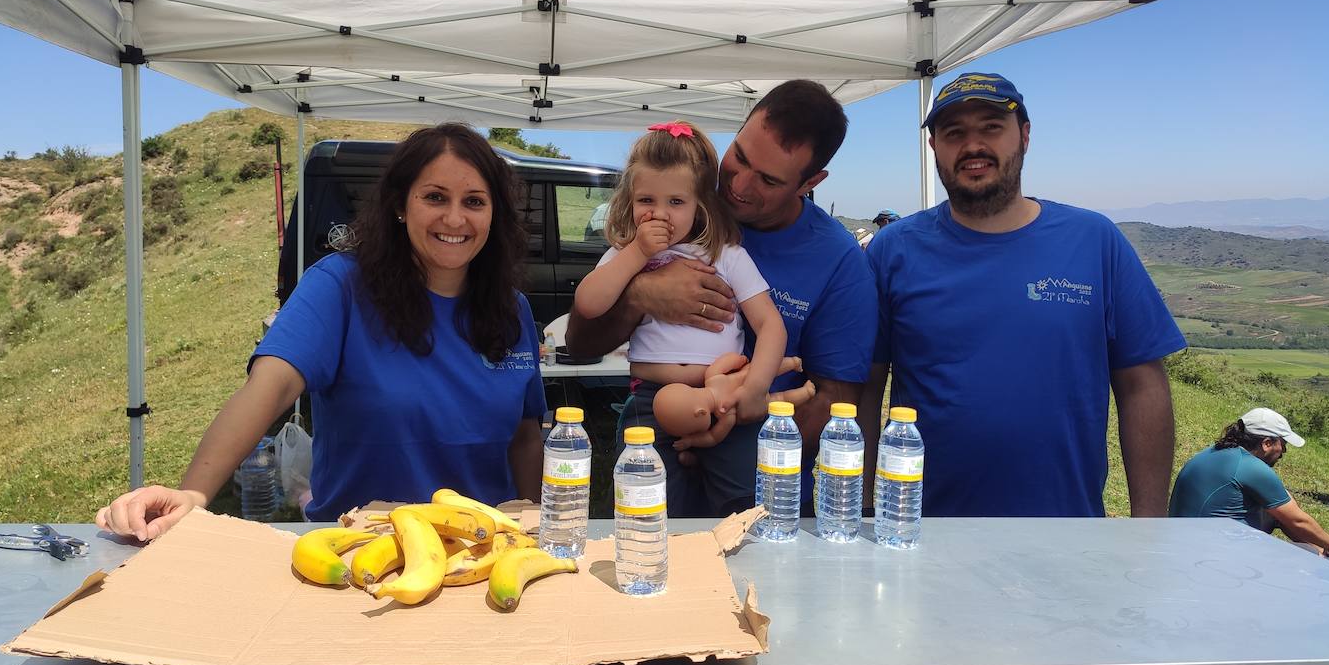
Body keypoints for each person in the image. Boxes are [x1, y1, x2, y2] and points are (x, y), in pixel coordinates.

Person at [96, 124, 546, 540]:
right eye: (434, 197)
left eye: (474, 201)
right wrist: (194, 495)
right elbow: (269, 389)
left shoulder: (512, 309)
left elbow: (526, 437)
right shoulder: (340, 287)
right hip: (357, 548)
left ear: (494, 215)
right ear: (399, 206)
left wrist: (535, 529)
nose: (454, 218)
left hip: (483, 550)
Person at [861, 72, 1185, 518]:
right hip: (926, 535)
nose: (973, 145)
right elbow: (865, 390)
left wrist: (1150, 528)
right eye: (954, 133)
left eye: (991, 127)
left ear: (1025, 136)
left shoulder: (1095, 241)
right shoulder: (892, 251)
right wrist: (859, 515)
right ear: (934, 147)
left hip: (1066, 535)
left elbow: (1142, 384)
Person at [567, 81, 877, 517]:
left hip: (756, 446)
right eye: (741, 156)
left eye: (768, 179)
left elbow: (834, 399)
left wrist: (729, 420)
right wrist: (642, 293)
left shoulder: (839, 262)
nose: (738, 185)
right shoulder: (679, 199)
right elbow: (581, 342)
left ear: (811, 182)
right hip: (655, 410)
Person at [574, 121, 792, 452]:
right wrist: (638, 252)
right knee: (645, 493)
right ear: (629, 201)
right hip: (650, 394)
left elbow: (770, 324)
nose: (660, 214)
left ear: (698, 205)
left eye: (676, 202)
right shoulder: (624, 254)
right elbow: (589, 303)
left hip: (722, 393)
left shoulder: (726, 254)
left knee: (736, 494)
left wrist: (756, 388)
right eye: (646, 200)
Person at [1169, 408, 1329, 557]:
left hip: (1182, 543)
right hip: (1212, 556)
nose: (1284, 451)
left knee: (1280, 506)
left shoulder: (1212, 453)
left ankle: (1321, 552)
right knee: (1309, 561)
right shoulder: (1251, 467)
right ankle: (1326, 556)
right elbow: (1297, 520)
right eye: (1282, 444)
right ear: (1266, 443)